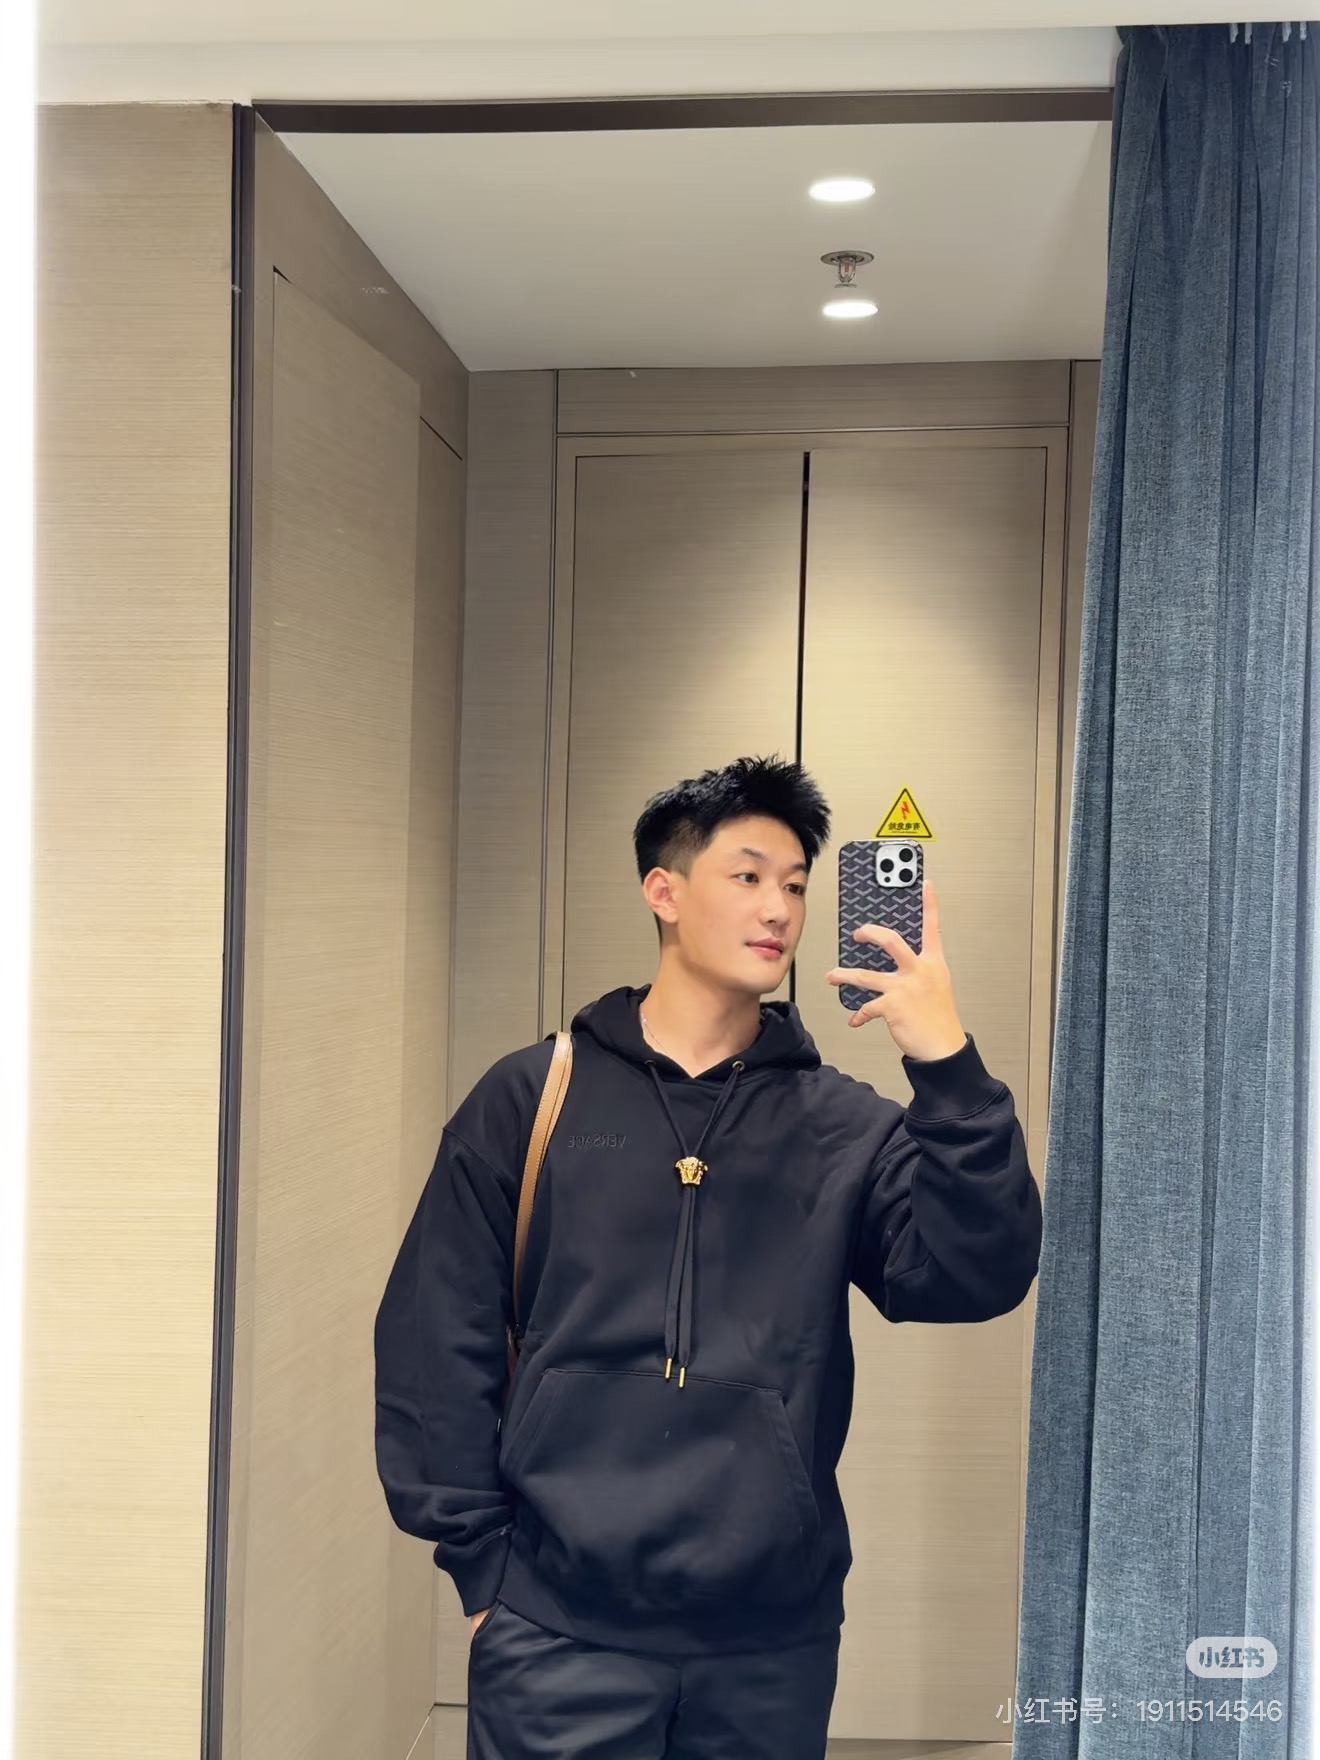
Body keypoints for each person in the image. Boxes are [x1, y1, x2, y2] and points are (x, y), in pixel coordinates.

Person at [374, 754, 1043, 1760]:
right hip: (554, 1628)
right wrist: (482, 1572)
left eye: (797, 885)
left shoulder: (844, 1126)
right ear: (665, 890)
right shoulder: (534, 1097)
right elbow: (437, 1335)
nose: (779, 907)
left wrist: (946, 1066)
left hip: (768, 1644)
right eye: (748, 875)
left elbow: (976, 1273)